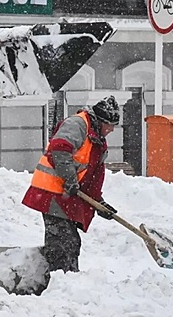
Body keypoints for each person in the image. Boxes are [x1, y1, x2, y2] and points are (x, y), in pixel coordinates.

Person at [22, 95, 121, 275]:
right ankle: (58, 281)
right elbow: (59, 149)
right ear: (101, 121)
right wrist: (70, 180)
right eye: (111, 125)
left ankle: (66, 280)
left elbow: (91, 175)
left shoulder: (96, 136)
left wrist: (98, 203)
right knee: (63, 243)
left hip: (65, 194)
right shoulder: (77, 125)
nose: (112, 130)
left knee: (70, 242)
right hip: (52, 192)